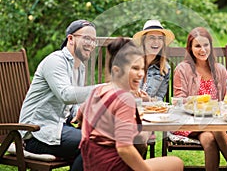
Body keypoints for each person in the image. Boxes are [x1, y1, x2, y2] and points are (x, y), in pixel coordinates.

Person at [77, 38, 183, 171]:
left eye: (142, 69)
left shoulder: (98, 91)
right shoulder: (125, 100)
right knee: (176, 163)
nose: (141, 74)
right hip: (112, 166)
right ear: (116, 70)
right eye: (134, 68)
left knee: (141, 143)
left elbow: (80, 116)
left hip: (92, 165)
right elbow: (124, 149)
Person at [19, 19, 98, 171]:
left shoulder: (79, 67)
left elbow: (74, 106)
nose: (91, 44)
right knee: (91, 145)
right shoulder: (55, 61)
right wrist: (104, 88)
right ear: (71, 39)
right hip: (37, 133)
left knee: (102, 139)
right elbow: (66, 95)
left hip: (59, 128)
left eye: (94, 41)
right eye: (87, 38)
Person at [173, 27, 227, 171]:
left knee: (209, 137)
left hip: (214, 124)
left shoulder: (220, 70)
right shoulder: (182, 69)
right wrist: (200, 104)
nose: (202, 49)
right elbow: (179, 101)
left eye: (206, 45)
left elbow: (226, 101)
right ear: (190, 48)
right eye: (197, 46)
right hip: (189, 122)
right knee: (213, 124)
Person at [132, 19, 175, 101]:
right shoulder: (132, 62)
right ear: (143, 41)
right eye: (151, 38)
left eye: (160, 38)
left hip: (150, 110)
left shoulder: (165, 68)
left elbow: (159, 98)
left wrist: (148, 99)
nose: (156, 42)